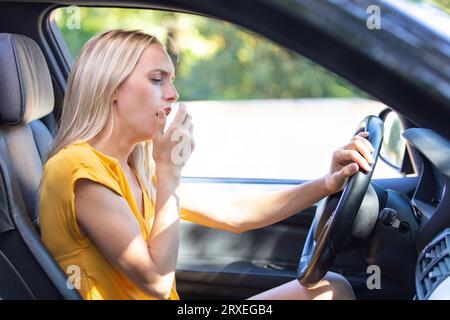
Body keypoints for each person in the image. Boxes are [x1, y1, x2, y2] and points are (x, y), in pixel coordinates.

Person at [39, 29, 374, 300]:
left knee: (331, 289)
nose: (173, 93)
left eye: (171, 80)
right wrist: (170, 171)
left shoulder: (133, 167)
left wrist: (326, 183)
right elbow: (155, 284)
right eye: (158, 79)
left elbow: (235, 214)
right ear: (111, 87)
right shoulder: (77, 168)